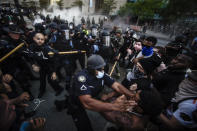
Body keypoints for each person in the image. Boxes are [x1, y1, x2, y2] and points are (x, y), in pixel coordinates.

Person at [67, 54, 136, 131]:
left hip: (92, 96)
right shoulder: (81, 78)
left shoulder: (102, 73)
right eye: (99, 70)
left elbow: (117, 86)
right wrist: (115, 106)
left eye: (103, 69)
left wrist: (131, 95)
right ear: (91, 69)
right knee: (85, 127)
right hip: (77, 103)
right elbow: (87, 102)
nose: (102, 72)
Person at [26, 33, 63, 98]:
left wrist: (54, 72)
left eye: (42, 39)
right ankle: (42, 90)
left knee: (51, 80)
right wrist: (33, 65)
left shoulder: (47, 48)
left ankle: (59, 89)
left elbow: (55, 61)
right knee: (42, 79)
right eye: (38, 39)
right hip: (41, 66)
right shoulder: (31, 47)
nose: (40, 41)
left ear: (44, 40)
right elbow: (29, 57)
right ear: (34, 39)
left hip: (50, 66)